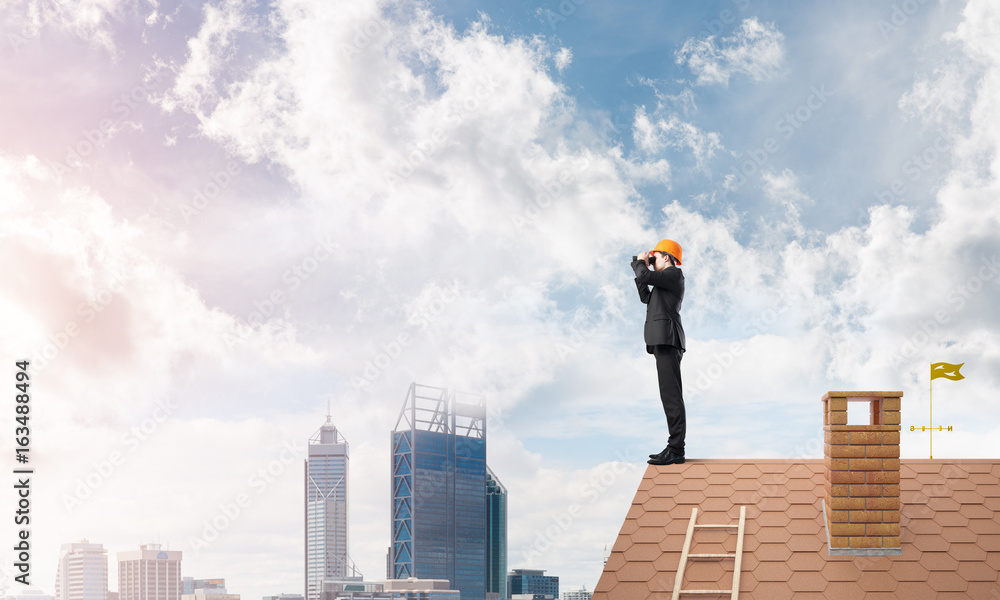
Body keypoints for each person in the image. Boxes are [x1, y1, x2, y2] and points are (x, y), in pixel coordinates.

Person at [631, 239, 686, 466]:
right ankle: (674, 447)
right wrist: (639, 264)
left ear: (667, 257)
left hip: (668, 339)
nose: (652, 262)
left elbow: (645, 276)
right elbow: (645, 295)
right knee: (668, 395)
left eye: (656, 258)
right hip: (662, 341)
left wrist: (642, 263)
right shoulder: (661, 285)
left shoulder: (674, 274)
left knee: (672, 396)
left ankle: (676, 449)